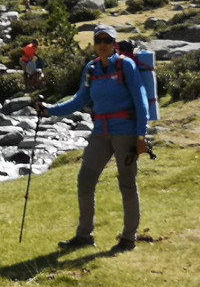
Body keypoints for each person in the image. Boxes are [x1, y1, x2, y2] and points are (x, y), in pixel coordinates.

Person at [36, 23, 149, 253]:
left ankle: (128, 239)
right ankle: (84, 235)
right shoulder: (91, 68)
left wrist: (141, 135)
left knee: (127, 183)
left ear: (114, 44)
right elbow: (80, 100)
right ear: (94, 44)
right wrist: (49, 110)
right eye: (99, 41)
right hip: (100, 132)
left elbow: (141, 100)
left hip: (125, 132)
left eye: (107, 40)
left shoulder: (125, 65)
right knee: (85, 180)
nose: (103, 45)